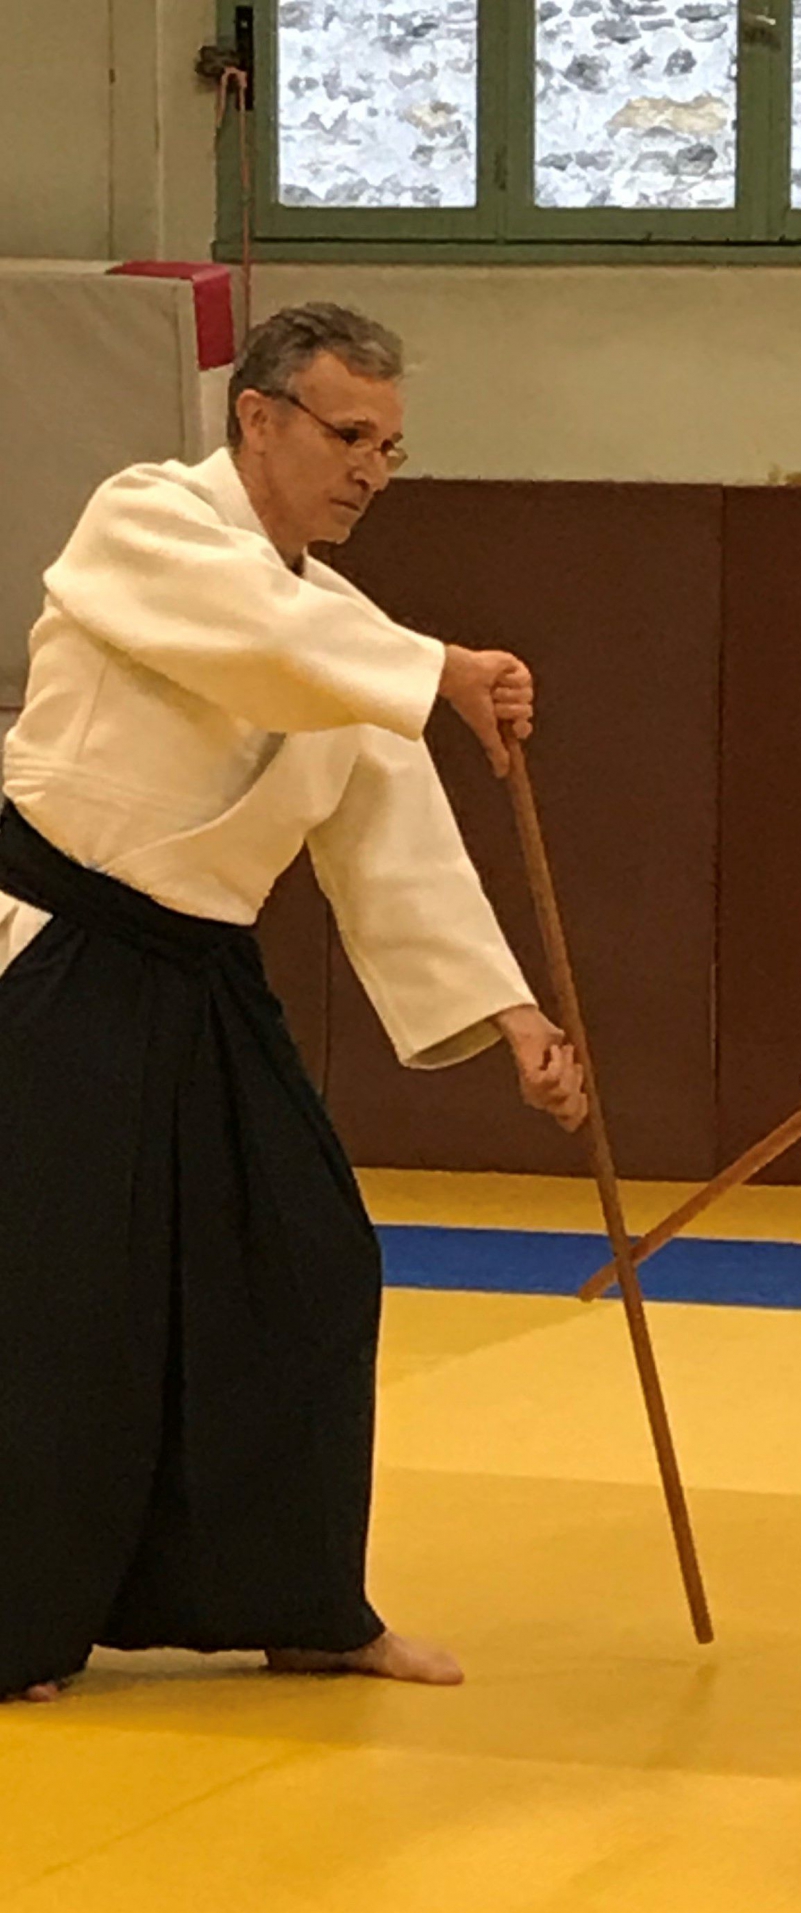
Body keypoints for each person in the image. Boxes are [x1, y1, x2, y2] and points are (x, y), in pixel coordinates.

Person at [0, 302, 586, 1703]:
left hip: (200, 972)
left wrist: (510, 1018)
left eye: (390, 445)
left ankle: (302, 1598)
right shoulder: (142, 521)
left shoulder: (345, 627)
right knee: (62, 1298)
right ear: (257, 417)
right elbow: (246, 637)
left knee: (311, 1257)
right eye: (347, 435)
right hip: (62, 958)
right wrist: (433, 671)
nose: (372, 469)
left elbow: (390, 833)